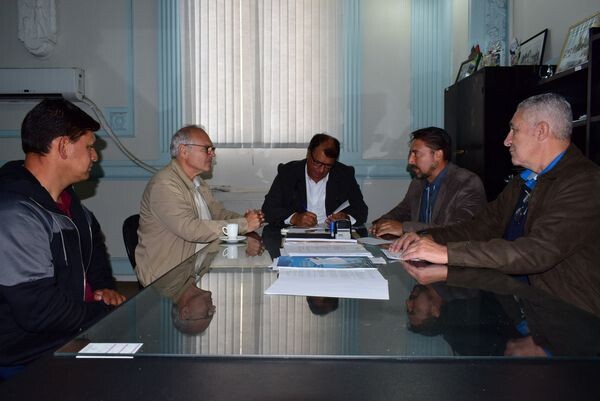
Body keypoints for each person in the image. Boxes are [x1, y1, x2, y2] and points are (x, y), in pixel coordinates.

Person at [391, 93, 600, 317]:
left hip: (569, 318)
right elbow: (480, 226)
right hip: (518, 304)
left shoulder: (585, 182)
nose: (507, 140)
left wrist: (447, 253)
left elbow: (537, 251)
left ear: (541, 131)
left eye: (514, 130)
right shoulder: (524, 180)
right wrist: (427, 237)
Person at [0, 98, 125, 378]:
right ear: (63, 146)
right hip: (25, 354)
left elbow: (95, 251)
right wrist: (103, 312)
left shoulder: (69, 202)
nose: (95, 156)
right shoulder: (14, 212)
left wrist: (105, 288)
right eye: (89, 147)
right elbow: (40, 311)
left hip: (71, 334)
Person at [135, 125, 264, 286]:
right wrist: (243, 225)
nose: (212, 154)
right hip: (167, 278)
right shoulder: (164, 185)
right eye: (206, 149)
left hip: (196, 269)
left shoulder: (197, 181)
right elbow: (190, 229)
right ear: (183, 151)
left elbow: (218, 213)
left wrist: (246, 220)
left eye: (212, 149)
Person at [371, 127, 486, 237]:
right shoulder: (418, 182)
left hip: (449, 250)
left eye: (416, 154)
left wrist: (404, 228)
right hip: (418, 248)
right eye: (410, 153)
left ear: (438, 155)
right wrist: (382, 222)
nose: (410, 160)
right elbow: (403, 211)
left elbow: (460, 229)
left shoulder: (467, 182)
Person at [262, 133, 368, 228]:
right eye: (317, 163)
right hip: (297, 235)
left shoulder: (344, 174)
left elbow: (362, 211)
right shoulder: (288, 173)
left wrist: (346, 218)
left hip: (332, 236)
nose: (321, 170)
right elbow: (268, 209)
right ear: (308, 153)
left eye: (328, 166)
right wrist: (294, 218)